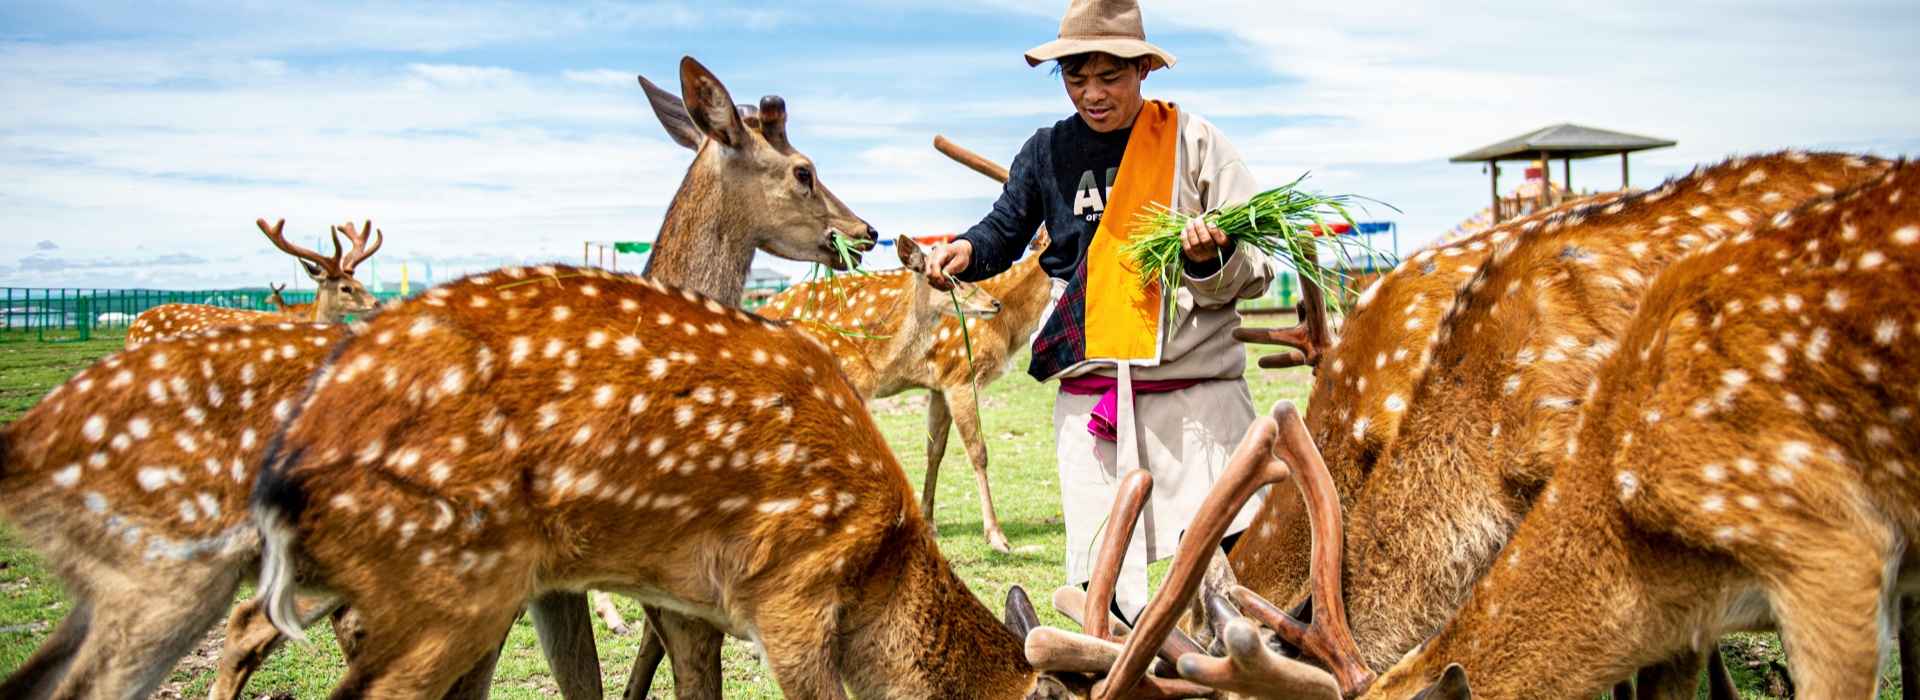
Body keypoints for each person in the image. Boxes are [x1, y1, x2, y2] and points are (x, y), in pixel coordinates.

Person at [925, 0, 1273, 622]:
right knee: (1101, 590)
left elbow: (1256, 260)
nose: (1091, 93)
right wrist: (966, 250)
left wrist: (1208, 259)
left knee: (1246, 568)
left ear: (1143, 69)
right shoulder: (1046, 150)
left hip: (1196, 397)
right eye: (1075, 77)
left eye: (1109, 76)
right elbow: (1004, 229)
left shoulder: (1193, 142)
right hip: (1093, 402)